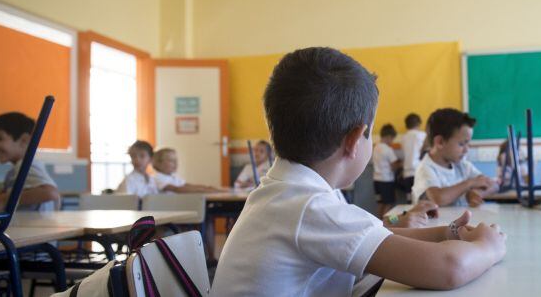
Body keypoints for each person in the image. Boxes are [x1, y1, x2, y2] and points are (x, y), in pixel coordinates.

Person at [210, 47, 506, 296]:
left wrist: (447, 232)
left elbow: (375, 231)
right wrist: (488, 247)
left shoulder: (292, 188)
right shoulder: (308, 206)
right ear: (355, 140)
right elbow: (449, 268)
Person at [0, 112, 59, 213]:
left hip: (35, 226)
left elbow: (50, 193)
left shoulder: (25, 166)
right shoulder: (13, 173)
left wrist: (4, 199)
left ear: (24, 140)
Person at [411, 108, 498, 207]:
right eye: (461, 144)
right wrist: (470, 184)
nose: (466, 150)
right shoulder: (425, 169)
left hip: (458, 221)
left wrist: (476, 193)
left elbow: (494, 185)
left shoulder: (463, 165)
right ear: (440, 142)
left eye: (467, 144)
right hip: (435, 223)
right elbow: (438, 198)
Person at [152, 148, 220, 193]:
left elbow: (187, 185)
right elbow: (177, 189)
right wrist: (202, 191)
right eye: (171, 160)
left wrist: (207, 188)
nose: (176, 163)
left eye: (176, 160)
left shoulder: (173, 177)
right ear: (158, 164)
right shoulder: (158, 178)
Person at [373, 124, 402, 216]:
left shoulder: (376, 147)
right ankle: (387, 226)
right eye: (392, 139)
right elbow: (394, 166)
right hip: (386, 180)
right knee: (389, 204)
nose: (392, 141)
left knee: (381, 204)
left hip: (376, 180)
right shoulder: (388, 149)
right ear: (389, 137)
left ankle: (379, 225)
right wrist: (401, 163)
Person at [399, 113, 426, 199]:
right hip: (419, 171)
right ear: (419, 123)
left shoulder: (403, 138)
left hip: (407, 173)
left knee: (409, 199)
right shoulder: (422, 135)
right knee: (420, 199)